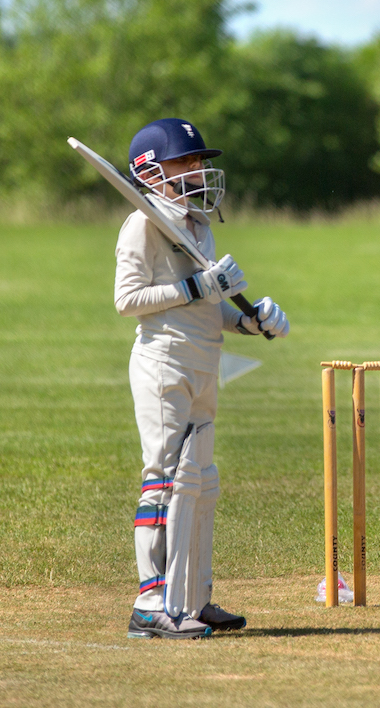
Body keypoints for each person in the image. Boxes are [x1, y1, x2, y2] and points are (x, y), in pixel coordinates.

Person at [114, 118, 290, 638]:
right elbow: (127, 300)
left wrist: (249, 321)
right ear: (152, 172)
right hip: (162, 363)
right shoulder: (142, 224)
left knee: (201, 482)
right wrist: (196, 287)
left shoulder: (197, 226)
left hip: (204, 362)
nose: (197, 169)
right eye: (186, 161)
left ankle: (192, 598)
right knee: (163, 479)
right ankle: (150, 604)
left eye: (198, 161)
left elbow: (210, 306)